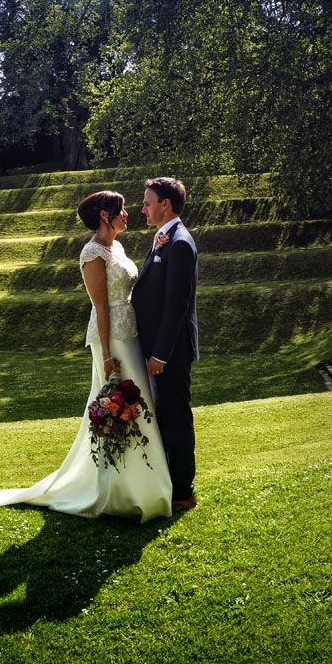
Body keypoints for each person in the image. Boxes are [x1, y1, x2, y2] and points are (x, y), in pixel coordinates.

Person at [0, 191, 172, 522]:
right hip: (112, 339)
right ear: (105, 215)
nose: (128, 214)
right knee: (123, 404)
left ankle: (141, 485)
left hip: (131, 335)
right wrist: (107, 356)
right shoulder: (92, 252)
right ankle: (116, 490)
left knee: (139, 404)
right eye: (121, 210)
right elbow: (101, 306)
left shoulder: (116, 247)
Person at [131, 177, 199, 512]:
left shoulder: (180, 243)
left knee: (176, 418)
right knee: (166, 417)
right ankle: (172, 483)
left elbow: (177, 306)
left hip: (170, 352)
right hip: (157, 349)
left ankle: (184, 491)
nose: (142, 208)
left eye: (147, 202)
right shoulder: (164, 239)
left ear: (165, 205)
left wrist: (159, 354)